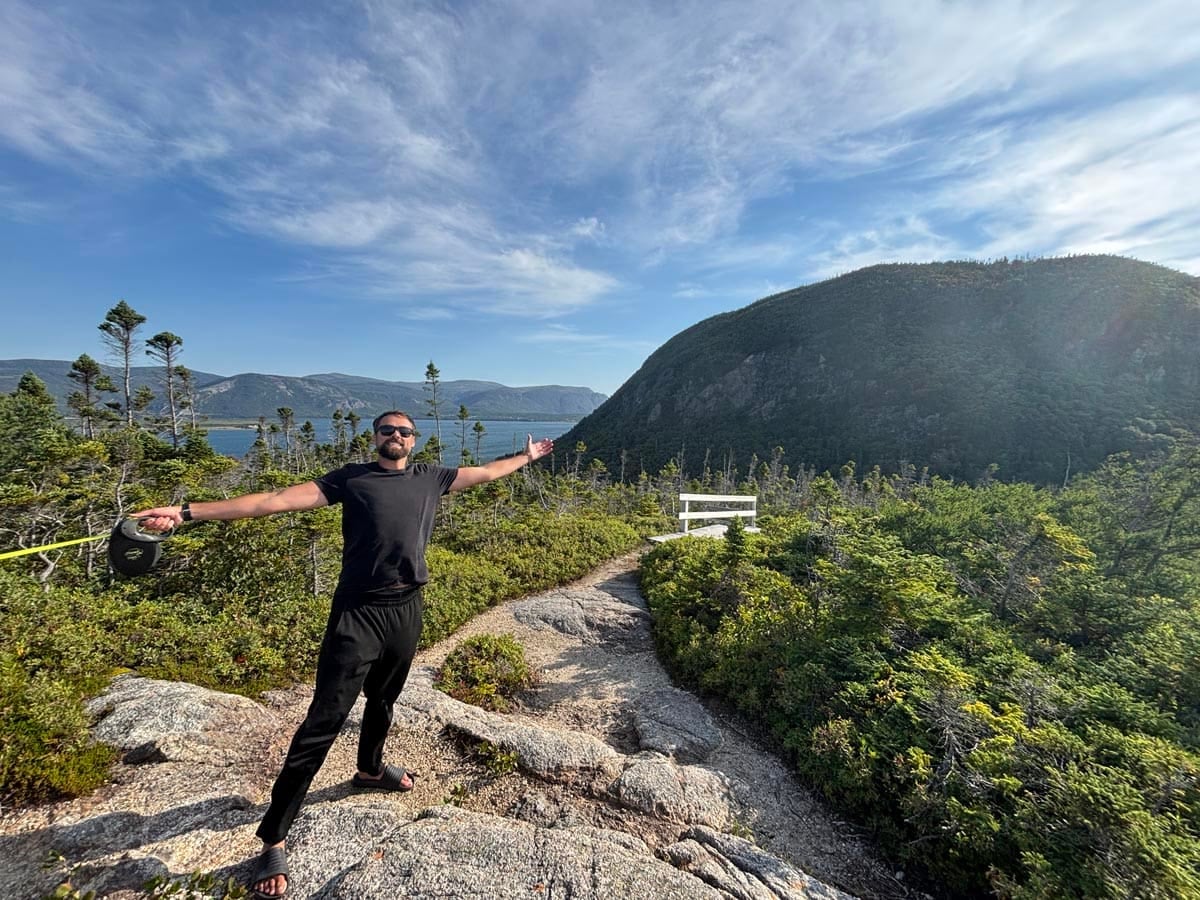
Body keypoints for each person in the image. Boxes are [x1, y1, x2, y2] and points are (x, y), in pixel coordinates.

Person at [133, 410, 554, 898]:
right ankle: (274, 836)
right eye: (387, 430)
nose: (395, 436)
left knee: (384, 700)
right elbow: (271, 502)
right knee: (324, 719)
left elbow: (486, 472)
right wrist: (185, 512)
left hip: (407, 609)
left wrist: (525, 457)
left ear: (414, 441)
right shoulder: (350, 479)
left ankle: (370, 769)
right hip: (357, 614)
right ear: (374, 438)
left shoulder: (433, 477)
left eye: (404, 431)